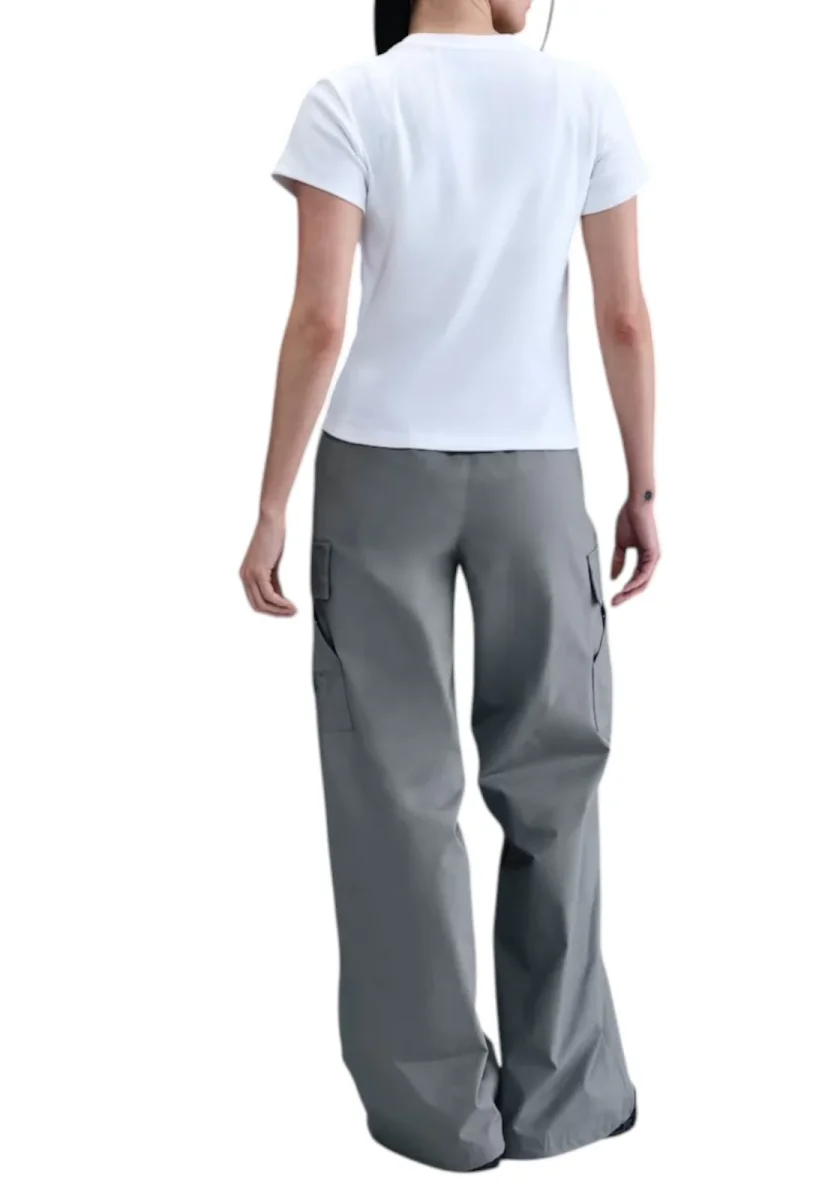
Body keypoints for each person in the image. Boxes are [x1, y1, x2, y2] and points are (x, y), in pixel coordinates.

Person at [240, 0, 659, 1173]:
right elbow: (624, 317)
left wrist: (271, 505)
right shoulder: (583, 97)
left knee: (392, 793)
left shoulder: (350, 99)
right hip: (537, 475)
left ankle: (438, 1118)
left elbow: (319, 320)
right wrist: (643, 486)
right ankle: (563, 1097)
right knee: (556, 777)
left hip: (378, 476)